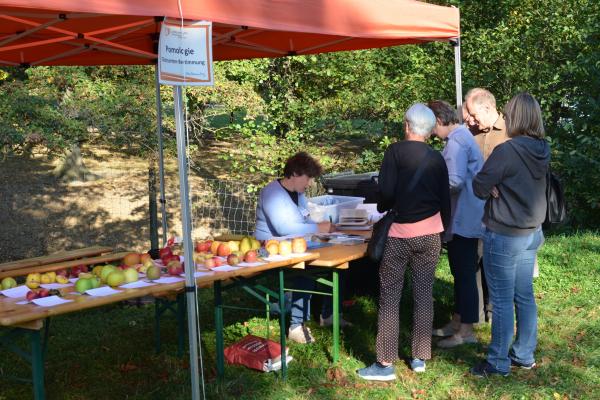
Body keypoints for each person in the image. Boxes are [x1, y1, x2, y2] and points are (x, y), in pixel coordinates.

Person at [358, 103, 450, 380]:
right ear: (430, 130)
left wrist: (386, 202)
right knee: (424, 294)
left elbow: (385, 193)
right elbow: (445, 199)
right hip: (431, 234)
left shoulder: (394, 152)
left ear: (407, 125)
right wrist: (444, 232)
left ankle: (385, 363)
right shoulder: (437, 158)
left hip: (399, 236)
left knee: (389, 297)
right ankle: (419, 357)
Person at [470, 93, 549, 377]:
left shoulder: (507, 150)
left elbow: (479, 186)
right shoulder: (543, 148)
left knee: (503, 300)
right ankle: (524, 355)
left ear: (515, 117)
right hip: (531, 232)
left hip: (505, 233)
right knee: (524, 296)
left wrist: (493, 183)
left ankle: (498, 362)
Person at [254, 151, 338, 344]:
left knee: (334, 262)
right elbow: (285, 228)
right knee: (306, 270)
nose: (309, 184)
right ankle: (296, 326)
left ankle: (328, 314)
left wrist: (322, 231)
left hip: (292, 246)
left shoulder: (298, 194)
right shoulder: (272, 193)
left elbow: (303, 220)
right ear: (294, 174)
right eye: (308, 178)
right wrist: (318, 228)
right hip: (267, 249)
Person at [428, 100, 485, 347]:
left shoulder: (456, 142)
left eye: (431, 127)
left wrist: (429, 189)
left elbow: (455, 181)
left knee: (463, 274)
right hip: (466, 216)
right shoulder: (460, 137)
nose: (430, 133)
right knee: (460, 271)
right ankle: (457, 321)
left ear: (439, 121)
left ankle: (465, 332)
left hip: (465, 217)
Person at [464, 87, 510, 324]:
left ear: (487, 108)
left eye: (473, 114)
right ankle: (477, 314)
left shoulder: (511, 132)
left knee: (497, 263)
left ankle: (495, 309)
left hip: (502, 212)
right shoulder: (470, 133)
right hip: (475, 208)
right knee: (475, 261)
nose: (471, 120)